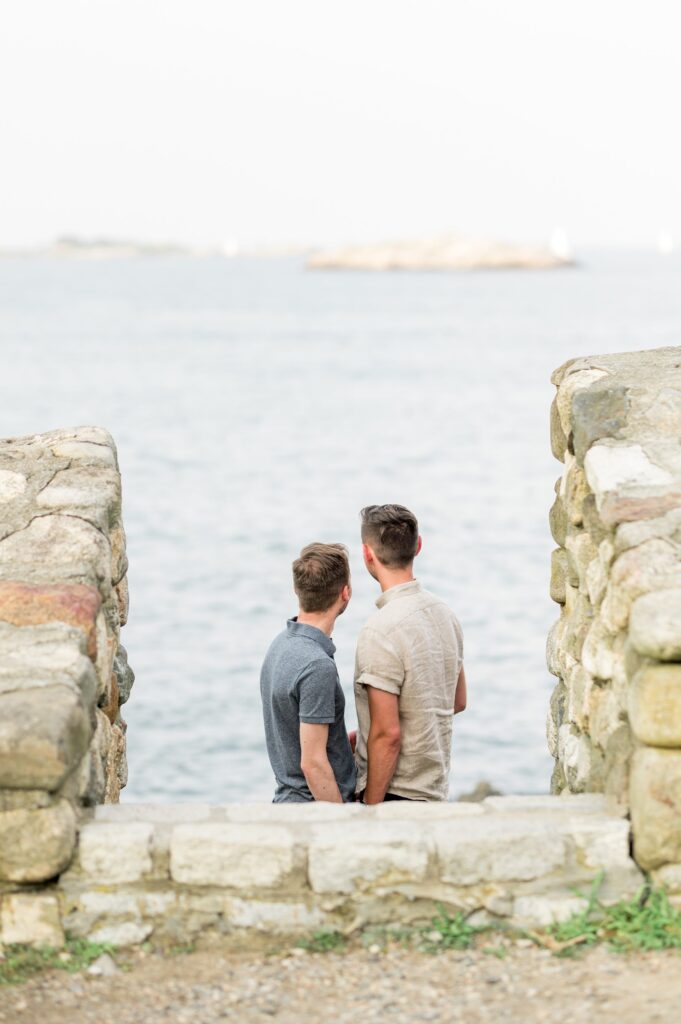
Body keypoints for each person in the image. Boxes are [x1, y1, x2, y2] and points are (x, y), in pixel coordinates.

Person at [354, 504, 466, 803]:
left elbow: (387, 734)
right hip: (435, 791)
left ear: (367, 554)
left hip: (393, 794)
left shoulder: (379, 631)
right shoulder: (446, 615)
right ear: (418, 546)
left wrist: (371, 808)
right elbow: (458, 701)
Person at [260, 542, 357, 803]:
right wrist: (344, 821)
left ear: (297, 590)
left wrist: (341, 745)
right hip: (312, 809)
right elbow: (312, 764)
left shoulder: (280, 645)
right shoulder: (317, 666)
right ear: (345, 593)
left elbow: (292, 732)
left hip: (288, 801)